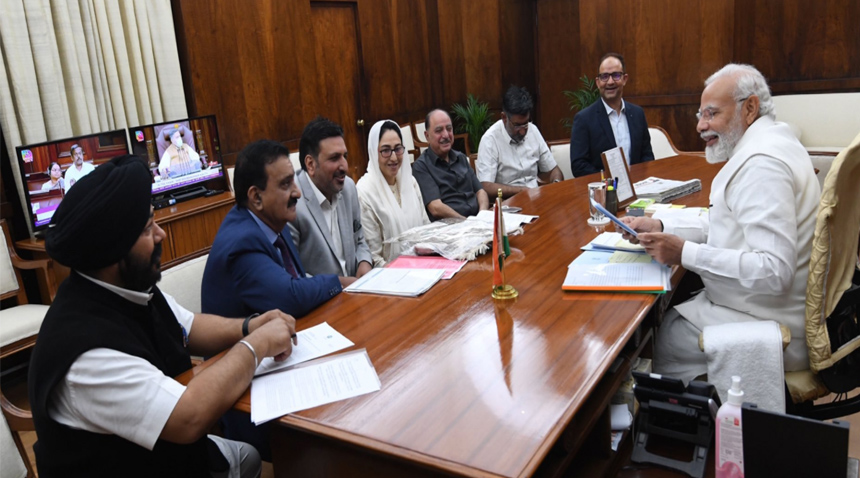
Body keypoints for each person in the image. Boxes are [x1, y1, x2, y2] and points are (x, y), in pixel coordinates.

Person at [30, 155, 298, 478]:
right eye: (147, 229)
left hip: (172, 456)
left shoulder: (124, 286)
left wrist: (249, 325)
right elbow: (189, 417)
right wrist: (256, 345)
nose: (161, 235)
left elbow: (190, 325)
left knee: (250, 457)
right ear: (112, 252)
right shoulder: (86, 355)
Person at [620, 64, 820, 383]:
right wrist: (659, 224)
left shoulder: (762, 165)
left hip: (778, 324)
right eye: (701, 115)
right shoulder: (770, 141)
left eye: (711, 114)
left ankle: (706, 428)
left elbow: (773, 270)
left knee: (664, 337)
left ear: (749, 108)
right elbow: (727, 224)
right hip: (771, 305)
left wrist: (685, 253)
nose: (701, 126)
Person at [290, 116, 372, 279]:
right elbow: (293, 274)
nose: (345, 167)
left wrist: (364, 262)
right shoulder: (292, 203)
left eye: (345, 156)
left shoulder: (348, 188)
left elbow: (360, 240)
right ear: (311, 164)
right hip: (319, 301)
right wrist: (337, 285)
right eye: (334, 158)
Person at [356, 120, 430, 266]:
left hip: (424, 267)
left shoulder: (410, 182)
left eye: (398, 149)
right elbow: (374, 258)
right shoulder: (365, 193)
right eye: (385, 150)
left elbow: (426, 230)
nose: (394, 157)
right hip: (390, 277)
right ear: (373, 152)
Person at [569, 53, 654, 177]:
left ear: (624, 79)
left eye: (616, 75)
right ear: (598, 82)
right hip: (605, 190)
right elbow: (579, 166)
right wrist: (610, 181)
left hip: (639, 186)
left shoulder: (637, 114)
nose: (610, 82)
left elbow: (647, 155)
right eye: (604, 77)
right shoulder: (584, 119)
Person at [476, 86, 563, 198]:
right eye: (517, 125)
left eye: (525, 123)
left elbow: (554, 170)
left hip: (537, 199)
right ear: (504, 117)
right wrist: (521, 190)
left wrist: (556, 184)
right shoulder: (490, 139)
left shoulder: (533, 130)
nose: (522, 132)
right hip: (509, 203)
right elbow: (485, 186)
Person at [412, 109, 490, 220]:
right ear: (427, 135)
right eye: (439, 131)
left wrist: (483, 214)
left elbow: (480, 191)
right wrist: (467, 222)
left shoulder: (461, 157)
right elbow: (435, 208)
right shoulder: (421, 166)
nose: (446, 135)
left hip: (477, 221)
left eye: (449, 129)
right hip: (451, 228)